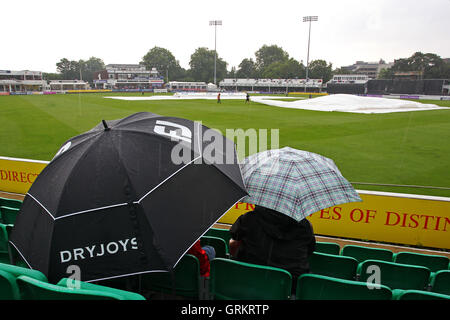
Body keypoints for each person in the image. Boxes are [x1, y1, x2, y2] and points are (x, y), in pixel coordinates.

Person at [229, 205, 315, 294]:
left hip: (247, 283)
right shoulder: (305, 226)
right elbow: (309, 252)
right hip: (288, 289)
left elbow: (234, 242)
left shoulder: (249, 218)